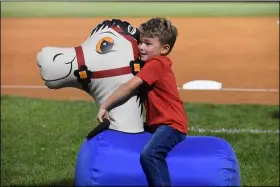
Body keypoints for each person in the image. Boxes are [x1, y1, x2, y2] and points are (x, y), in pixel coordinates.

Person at [97, 17, 188, 186]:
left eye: (147, 44)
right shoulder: (154, 63)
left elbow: (131, 85)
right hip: (158, 125)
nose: (141, 47)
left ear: (164, 48)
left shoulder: (156, 63)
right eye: (140, 42)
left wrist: (106, 104)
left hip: (172, 125)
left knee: (150, 154)